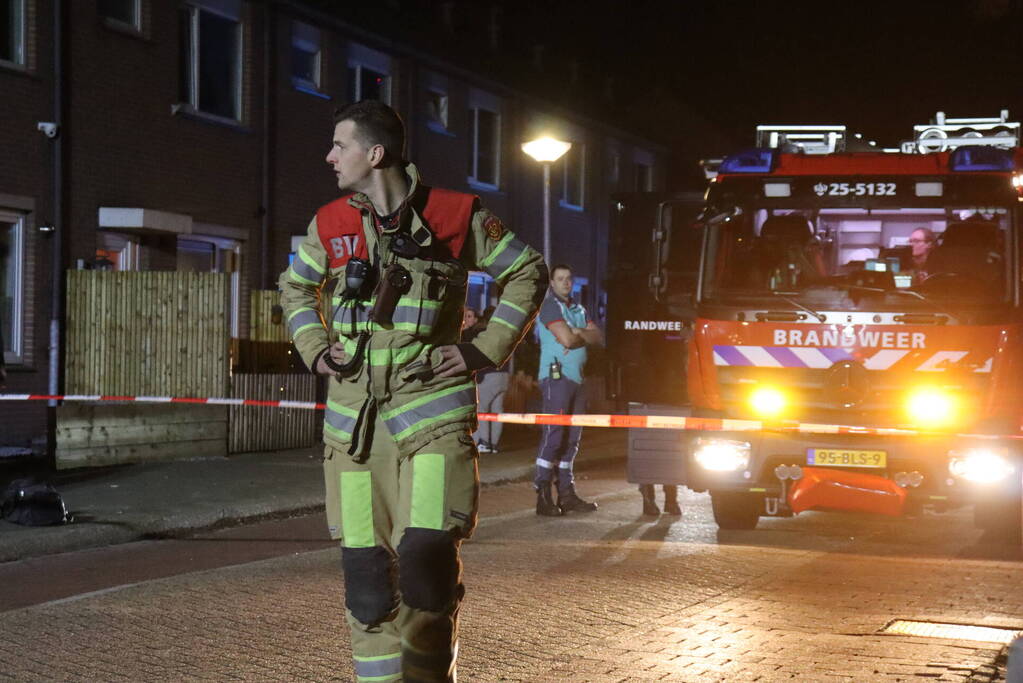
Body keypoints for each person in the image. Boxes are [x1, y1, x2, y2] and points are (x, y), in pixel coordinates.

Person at [278, 100, 547, 682]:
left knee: (426, 575)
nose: (329, 156)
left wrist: (482, 350)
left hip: (432, 424)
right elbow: (296, 290)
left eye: (339, 145)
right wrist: (318, 351)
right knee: (368, 584)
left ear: (374, 154)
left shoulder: (454, 216)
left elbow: (527, 271)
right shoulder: (330, 224)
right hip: (353, 437)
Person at [533, 264, 603, 516]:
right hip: (557, 378)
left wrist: (579, 331)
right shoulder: (551, 306)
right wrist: (581, 333)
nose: (565, 283)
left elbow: (599, 337)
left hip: (578, 381)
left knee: (572, 440)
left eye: (568, 278)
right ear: (551, 283)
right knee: (554, 436)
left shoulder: (578, 308)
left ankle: (566, 494)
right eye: (560, 279)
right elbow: (567, 339)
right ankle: (542, 496)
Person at [464, 306, 509, 453]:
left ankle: (483, 442)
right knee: (497, 412)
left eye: (470, 316)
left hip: (488, 375)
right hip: (504, 375)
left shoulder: (478, 332)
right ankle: (494, 444)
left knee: (481, 409)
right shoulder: (503, 331)